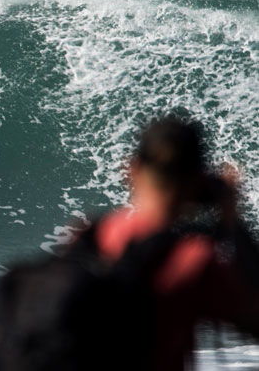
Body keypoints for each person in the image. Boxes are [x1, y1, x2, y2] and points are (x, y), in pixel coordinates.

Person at [92, 114, 259, 370]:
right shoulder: (191, 260)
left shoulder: (92, 236)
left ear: (131, 169)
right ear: (198, 180)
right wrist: (233, 222)